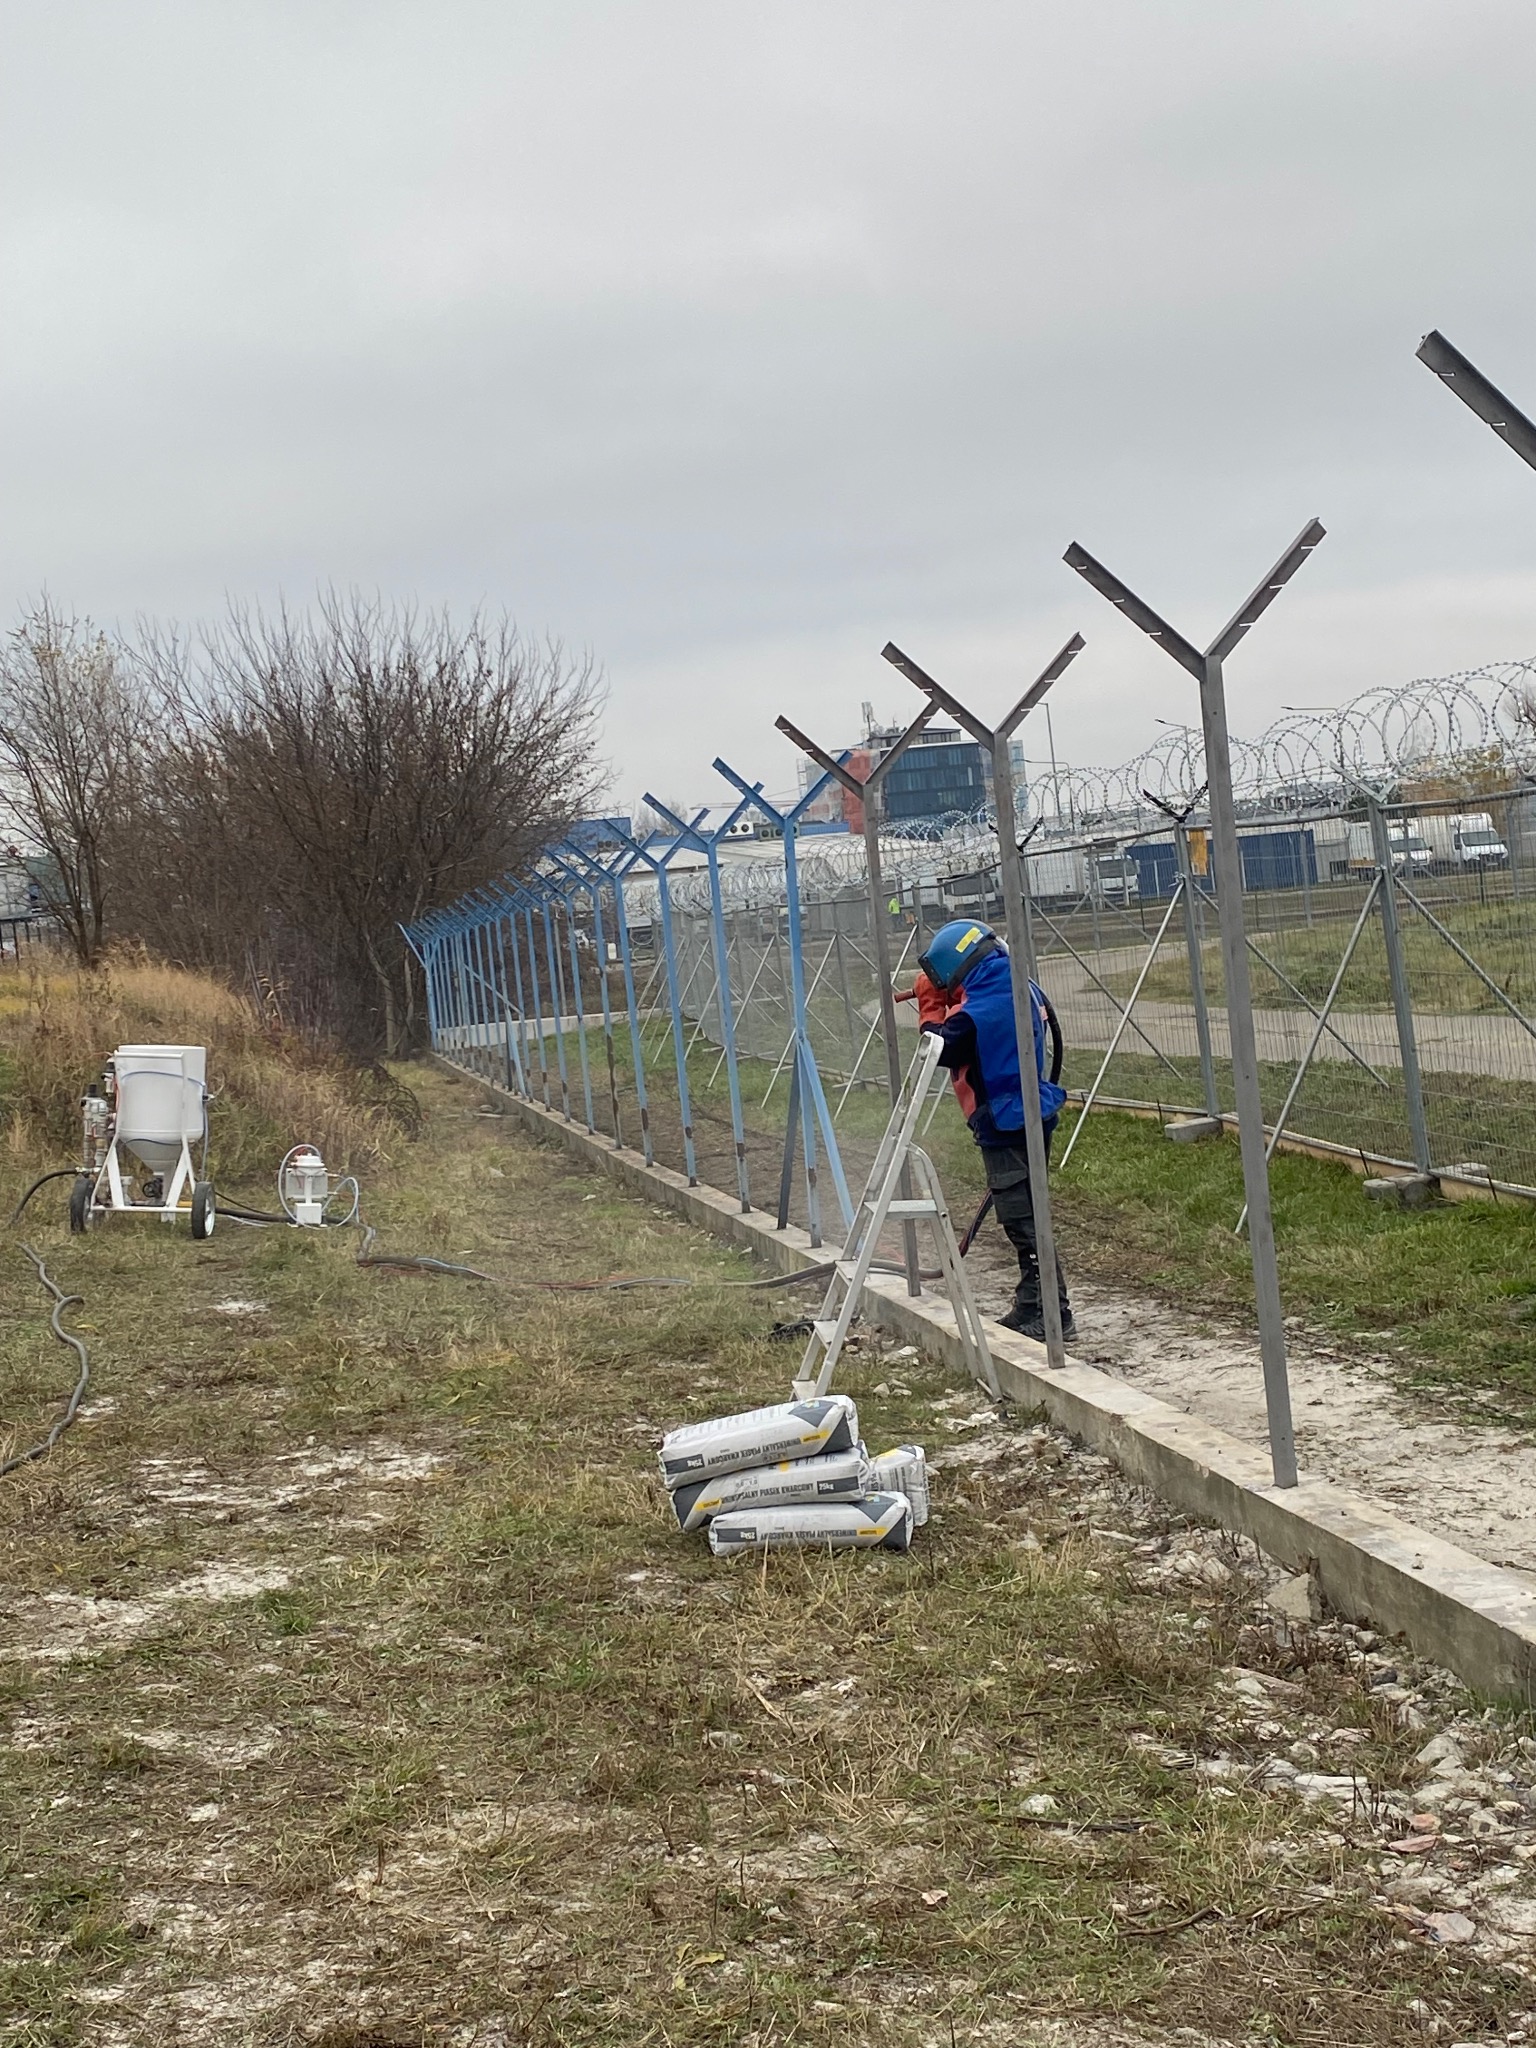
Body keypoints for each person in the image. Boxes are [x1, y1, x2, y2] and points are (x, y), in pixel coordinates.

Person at [913, 917, 1074, 1343]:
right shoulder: (1009, 984)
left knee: (1024, 1218)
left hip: (1009, 1119)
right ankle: (1032, 1301)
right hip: (1022, 1112)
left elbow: (940, 1048)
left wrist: (930, 1006)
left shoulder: (983, 1008)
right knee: (1024, 1214)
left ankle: (1053, 1313)